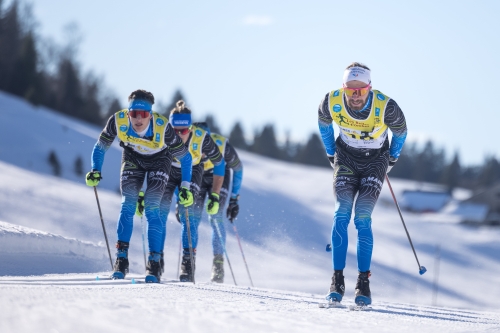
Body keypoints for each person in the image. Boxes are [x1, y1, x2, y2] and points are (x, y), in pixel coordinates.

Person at [317, 63, 407, 306]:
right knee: (341, 214)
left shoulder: (386, 106)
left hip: (375, 161)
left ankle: (363, 282)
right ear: (343, 87)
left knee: (362, 217)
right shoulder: (331, 101)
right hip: (345, 158)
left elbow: (401, 131)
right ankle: (337, 280)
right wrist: (330, 153)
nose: (355, 95)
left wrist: (392, 158)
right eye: (350, 89)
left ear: (370, 87)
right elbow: (324, 124)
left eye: (361, 89)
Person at [86, 89, 194, 283]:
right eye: (134, 113)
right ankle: (121, 260)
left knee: (152, 209)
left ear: (150, 115)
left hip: (160, 160)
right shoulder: (117, 121)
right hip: (133, 159)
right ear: (128, 114)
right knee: (128, 204)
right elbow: (100, 146)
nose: (138, 119)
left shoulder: (162, 128)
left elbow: (186, 158)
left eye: (143, 114)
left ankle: (153, 262)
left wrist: (185, 187)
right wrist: (96, 170)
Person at [158, 101, 226, 282]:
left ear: (191, 128)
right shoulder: (162, 135)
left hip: (194, 170)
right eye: (175, 131)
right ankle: (156, 256)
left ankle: (188, 263)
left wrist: (215, 195)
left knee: (189, 214)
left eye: (184, 131)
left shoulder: (201, 138)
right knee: (159, 213)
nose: (179, 136)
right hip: (169, 170)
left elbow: (220, 163)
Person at [189, 122, 243, 283]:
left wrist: (234, 199)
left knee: (215, 215)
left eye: (207, 142)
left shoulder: (221, 144)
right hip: (198, 176)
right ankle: (189, 260)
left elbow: (238, 168)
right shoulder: (185, 141)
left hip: (219, 178)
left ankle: (218, 264)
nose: (204, 147)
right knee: (192, 217)